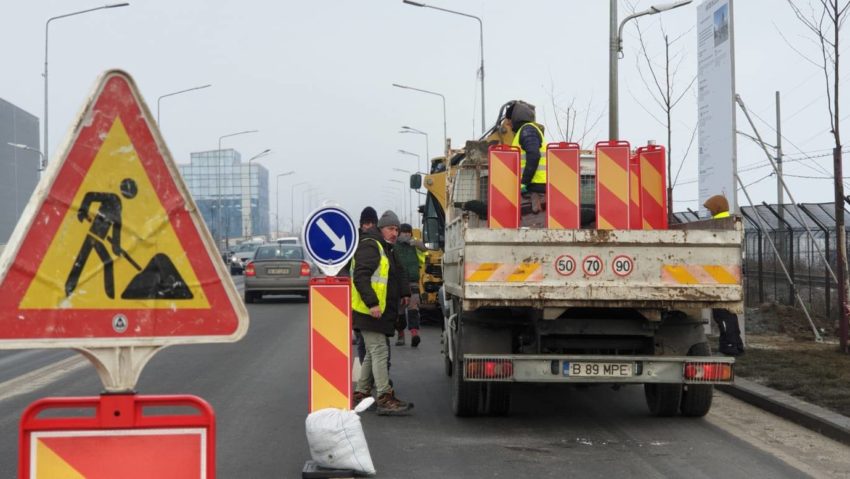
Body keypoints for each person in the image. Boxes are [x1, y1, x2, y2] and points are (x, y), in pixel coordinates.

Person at [351, 210, 413, 415]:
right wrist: (372, 303)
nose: (395, 233)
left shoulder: (386, 247)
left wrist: (404, 292)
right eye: (391, 229)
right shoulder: (371, 246)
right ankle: (385, 397)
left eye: (397, 229)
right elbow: (360, 276)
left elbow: (397, 272)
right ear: (381, 228)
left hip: (377, 311)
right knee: (379, 350)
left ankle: (361, 393)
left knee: (372, 352)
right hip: (369, 311)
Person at [704, 194, 745, 356]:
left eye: (710, 209)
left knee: (722, 314)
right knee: (728, 314)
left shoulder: (719, 224)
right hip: (728, 275)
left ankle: (729, 346)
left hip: (722, 276)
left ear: (717, 208)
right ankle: (735, 344)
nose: (709, 212)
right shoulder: (729, 222)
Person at [506, 101, 547, 227]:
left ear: (515, 118)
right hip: (534, 188)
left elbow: (534, 155)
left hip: (535, 189)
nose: (508, 124)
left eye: (509, 120)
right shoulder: (526, 131)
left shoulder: (527, 130)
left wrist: (524, 182)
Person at [394, 223, 427, 347]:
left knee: (413, 308)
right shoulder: (394, 246)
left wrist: (415, 243)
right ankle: (400, 334)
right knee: (400, 310)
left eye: (408, 232)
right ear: (399, 233)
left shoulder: (414, 245)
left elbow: (425, 249)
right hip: (398, 283)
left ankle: (414, 334)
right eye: (404, 232)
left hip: (413, 281)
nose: (406, 234)